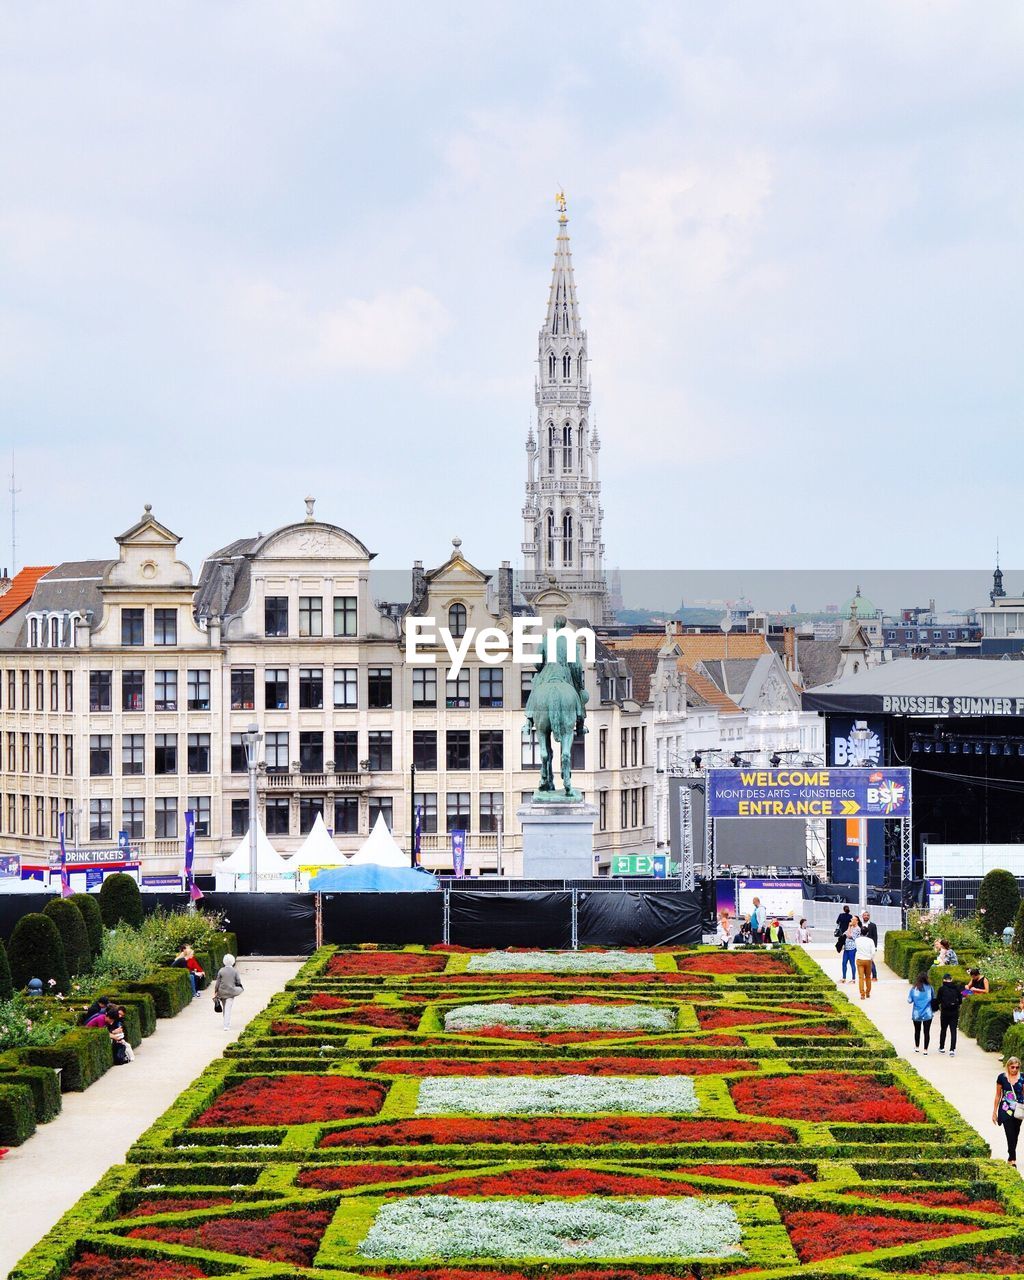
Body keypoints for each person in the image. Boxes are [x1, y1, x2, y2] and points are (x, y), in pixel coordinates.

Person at [993, 1056, 1024, 1166]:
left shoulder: (1022, 1078)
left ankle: (1010, 1156)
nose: (1015, 1069)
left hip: (1018, 1110)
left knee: (1015, 1134)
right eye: (1012, 1067)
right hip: (1005, 1109)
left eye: (1017, 1067)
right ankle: (1013, 1159)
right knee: (1009, 1133)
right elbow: (998, 1095)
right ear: (1008, 1067)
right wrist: (994, 1112)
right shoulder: (1002, 1078)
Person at [214, 953, 244, 1030]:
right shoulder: (235, 971)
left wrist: (216, 991)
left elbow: (217, 982)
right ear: (233, 961)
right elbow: (238, 982)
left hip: (222, 992)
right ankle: (226, 1025)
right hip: (231, 992)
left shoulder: (221, 970)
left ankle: (226, 1023)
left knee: (224, 1007)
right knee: (228, 1008)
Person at [936, 972, 963, 1056]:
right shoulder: (957, 988)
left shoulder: (941, 989)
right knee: (953, 1030)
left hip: (945, 1012)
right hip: (954, 1012)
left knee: (943, 1029)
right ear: (951, 979)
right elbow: (960, 1000)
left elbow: (938, 1000)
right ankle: (952, 1049)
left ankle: (942, 1047)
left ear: (943, 980)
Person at [908, 973, 935, 1054]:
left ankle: (917, 1047)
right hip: (927, 1013)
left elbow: (909, 1000)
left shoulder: (914, 989)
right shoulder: (930, 988)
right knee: (926, 1032)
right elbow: (933, 998)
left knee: (917, 1030)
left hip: (916, 1014)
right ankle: (925, 1050)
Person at [855, 928, 876, 998]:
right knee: (868, 977)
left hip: (860, 959)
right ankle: (868, 992)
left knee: (861, 978)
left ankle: (862, 994)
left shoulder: (857, 940)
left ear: (861, 932)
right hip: (868, 960)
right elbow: (873, 952)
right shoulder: (870, 940)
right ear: (867, 933)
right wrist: (871, 958)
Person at [860, 910, 879, 980]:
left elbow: (875, 936)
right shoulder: (860, 925)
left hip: (870, 946)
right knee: (864, 962)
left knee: (871, 961)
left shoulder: (873, 925)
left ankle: (874, 976)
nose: (866, 916)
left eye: (867, 915)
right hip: (862, 946)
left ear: (869, 917)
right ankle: (866, 976)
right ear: (862, 916)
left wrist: (875, 947)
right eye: (865, 915)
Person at [841, 917, 861, 984]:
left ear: (857, 921)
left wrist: (849, 927)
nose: (851, 920)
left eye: (853, 919)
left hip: (852, 948)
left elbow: (849, 936)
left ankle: (853, 979)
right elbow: (845, 933)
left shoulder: (858, 929)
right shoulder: (851, 927)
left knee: (852, 963)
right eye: (851, 919)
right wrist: (849, 927)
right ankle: (844, 978)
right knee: (844, 963)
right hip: (846, 947)